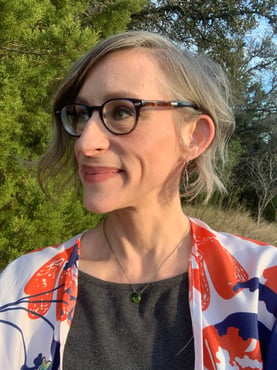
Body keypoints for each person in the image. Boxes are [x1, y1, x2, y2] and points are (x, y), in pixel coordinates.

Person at [0, 31, 276, 370]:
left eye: (120, 112)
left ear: (194, 136)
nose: (85, 144)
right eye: (81, 114)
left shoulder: (262, 286)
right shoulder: (23, 288)